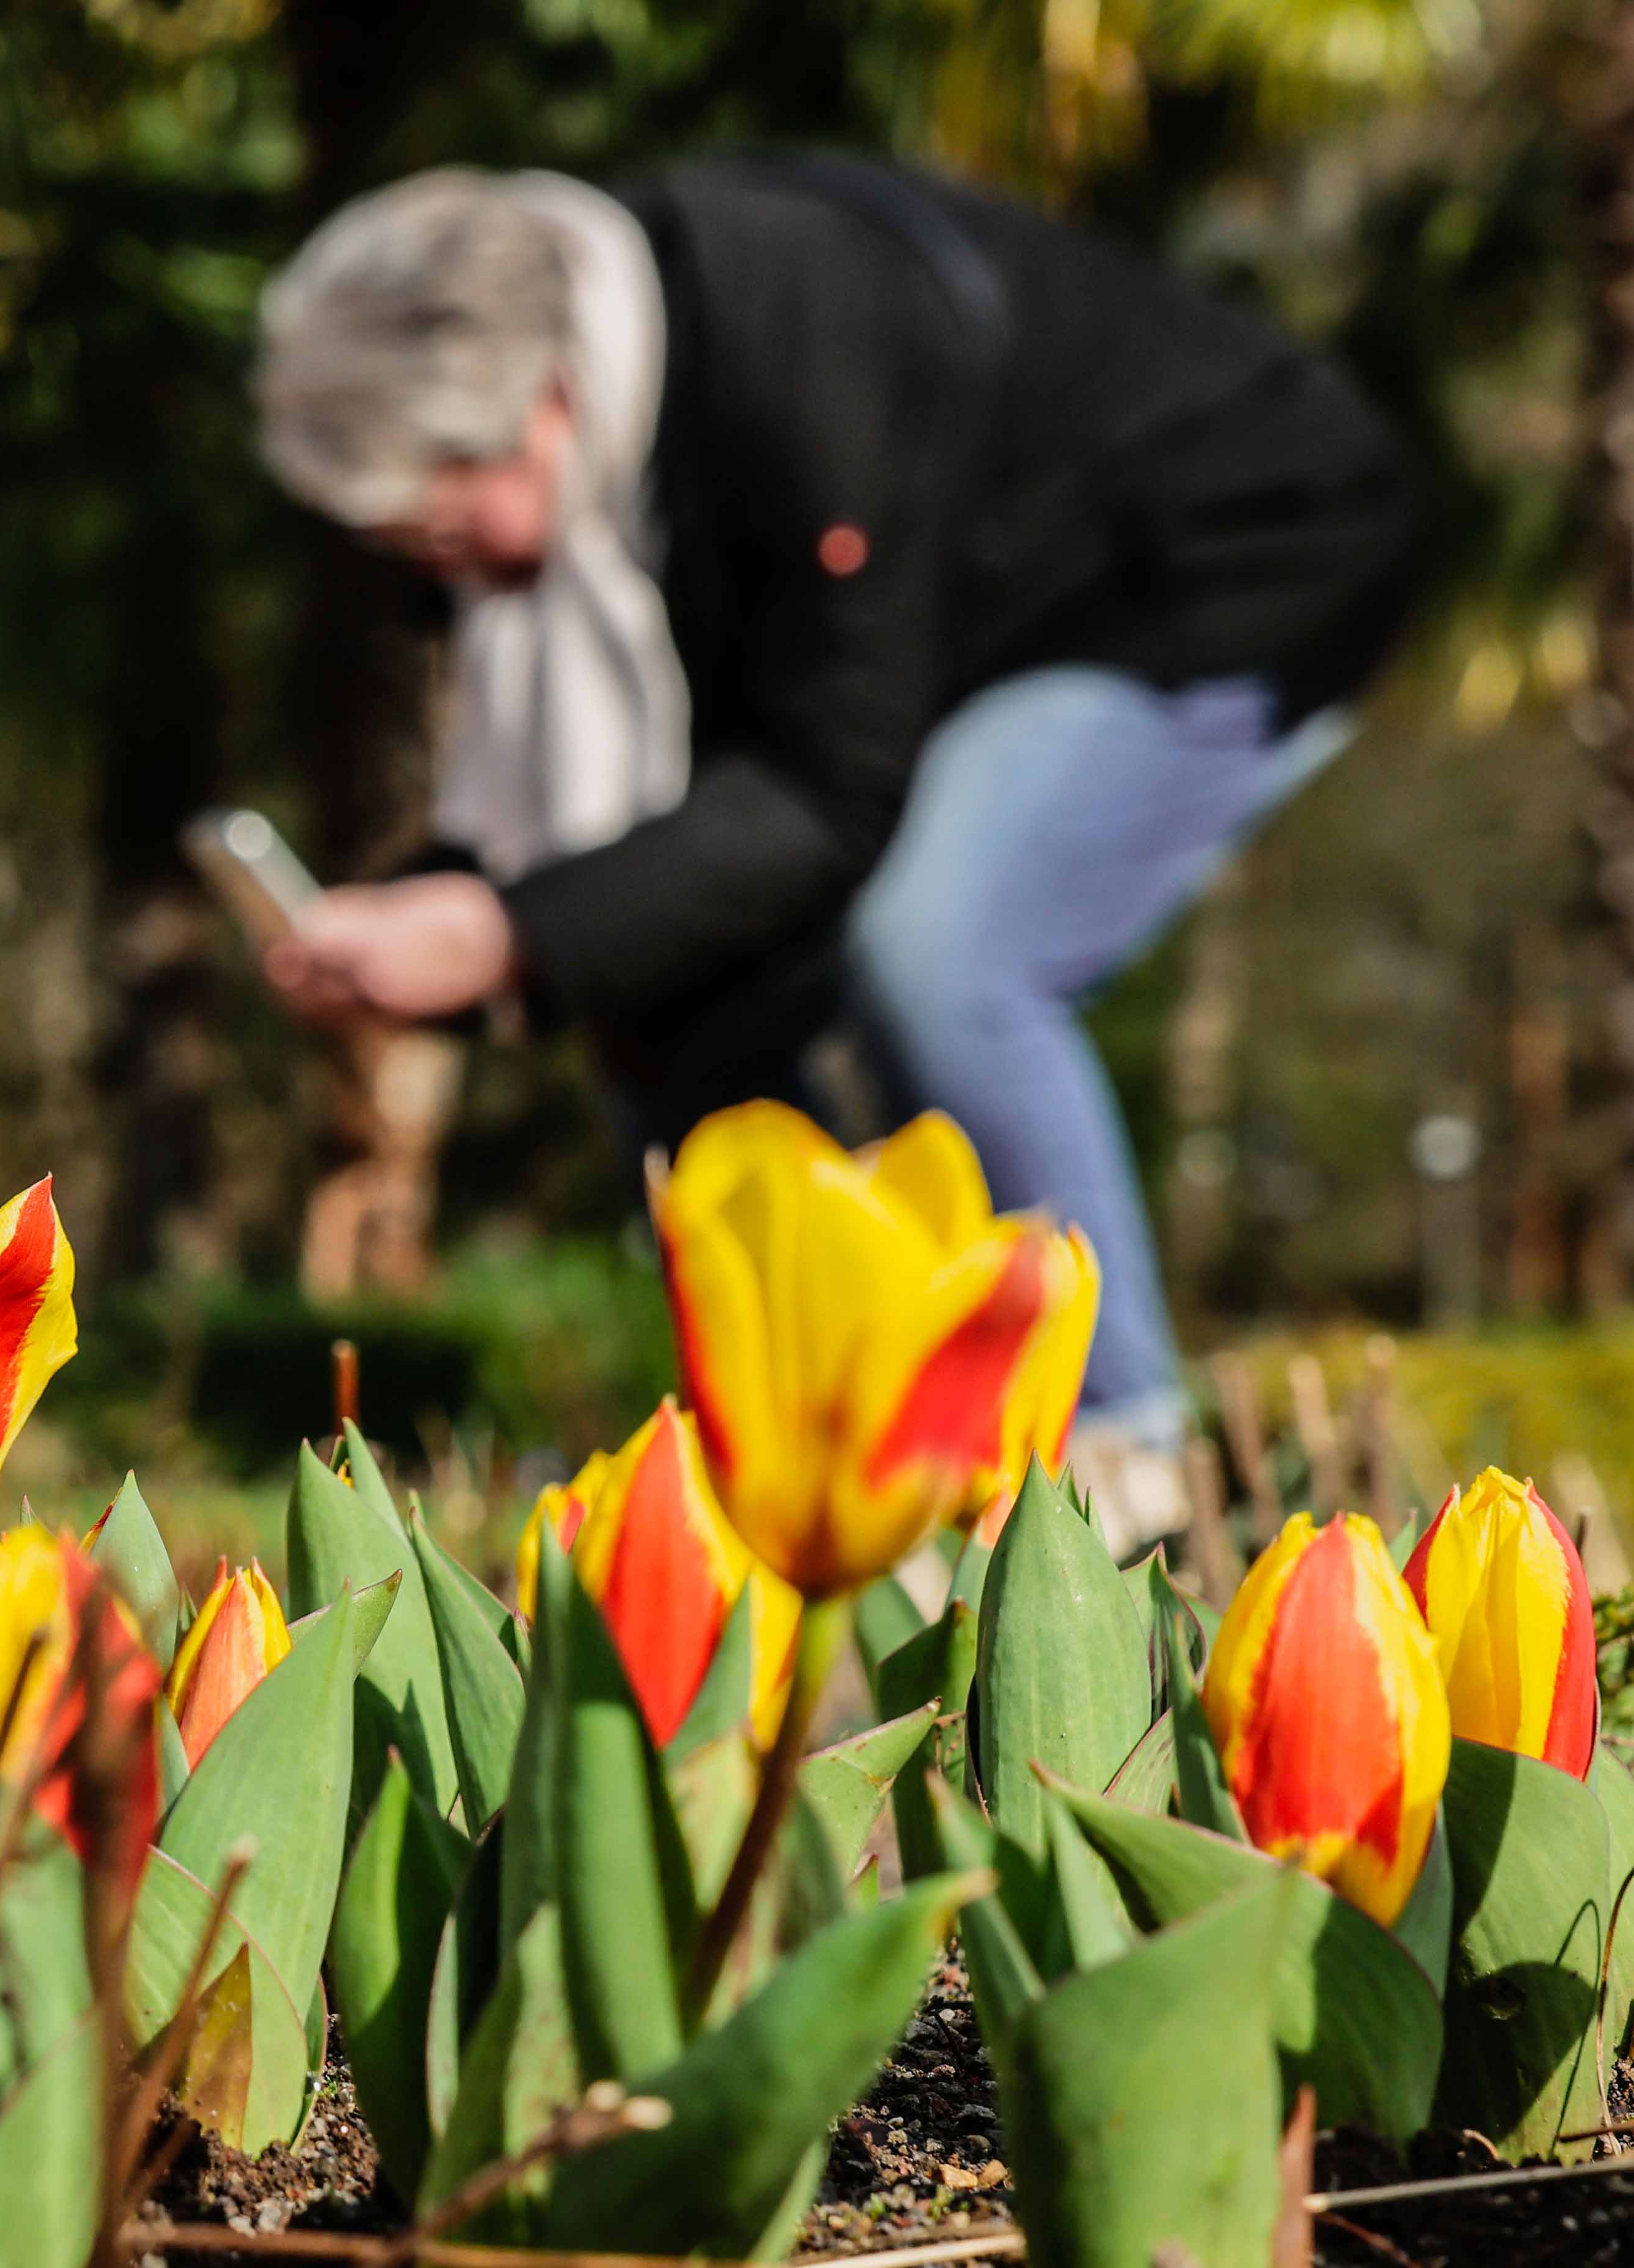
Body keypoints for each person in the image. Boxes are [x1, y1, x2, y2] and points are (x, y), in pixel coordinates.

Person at [245, 155, 1423, 1511]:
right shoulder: (601, 406)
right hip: (972, 631)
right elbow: (653, 865)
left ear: (548, 401)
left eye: (443, 527)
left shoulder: (804, 340)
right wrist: (448, 923)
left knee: (943, 942)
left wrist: (508, 927)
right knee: (670, 959)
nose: (437, 576)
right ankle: (809, 1426)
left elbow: (822, 795)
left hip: (1227, 568)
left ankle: (1120, 1447)